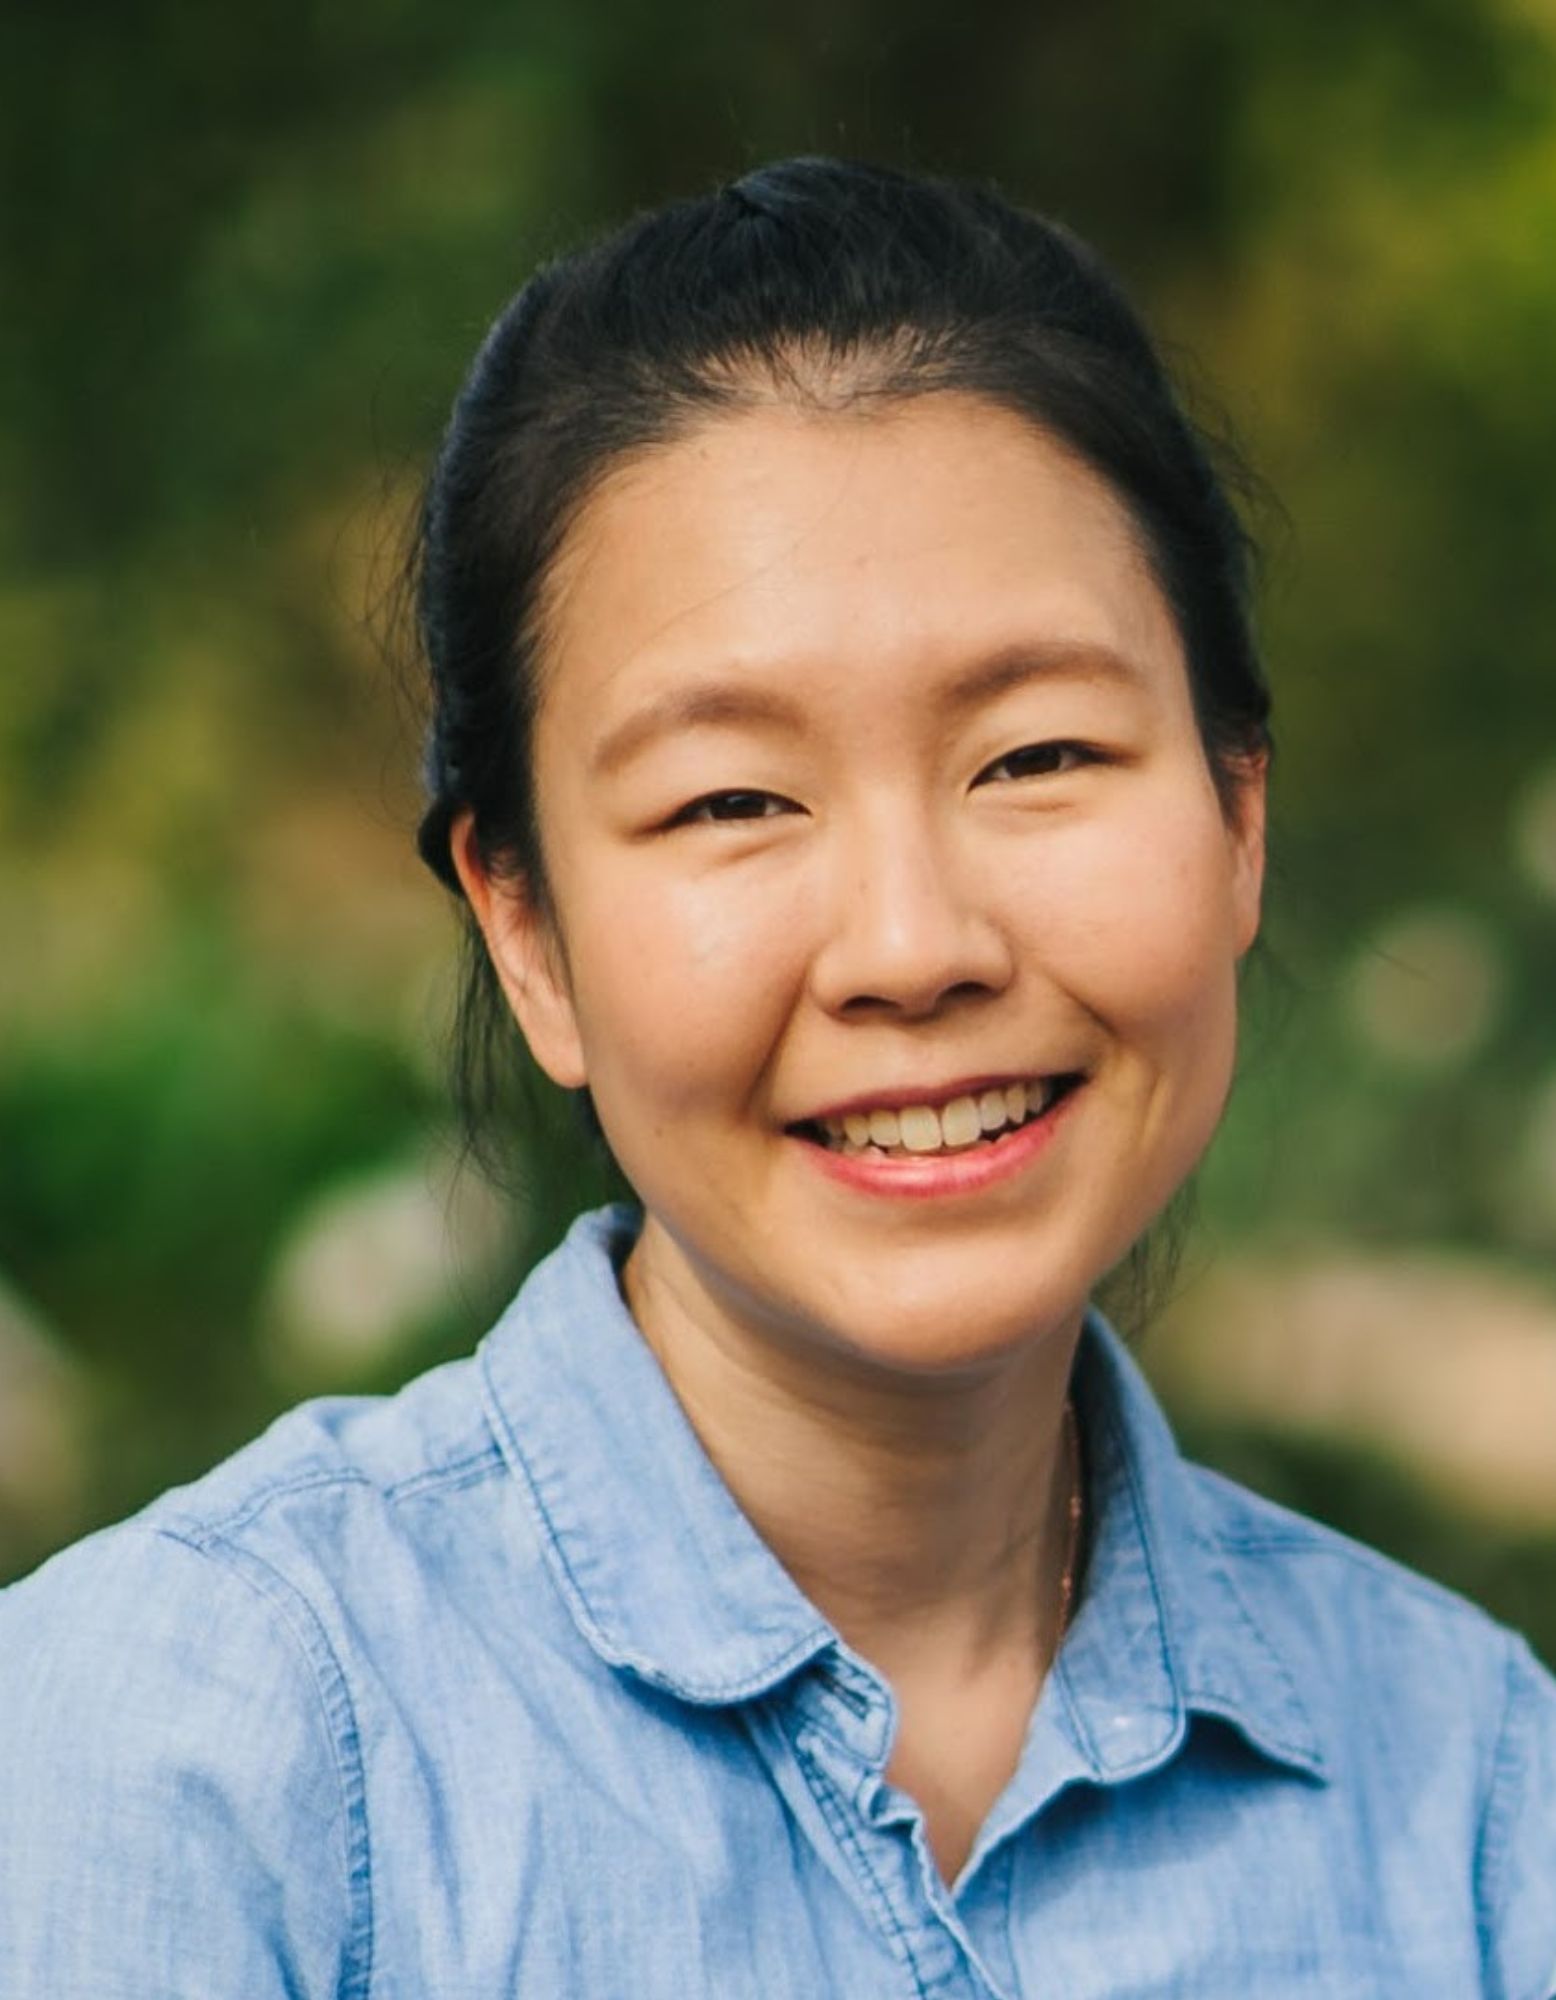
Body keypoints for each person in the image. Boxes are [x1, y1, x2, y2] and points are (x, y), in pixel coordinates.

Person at [1, 157, 1552, 1999]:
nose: (913, 945)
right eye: (733, 800)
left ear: (1236, 819)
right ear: (528, 935)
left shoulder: (1468, 1788)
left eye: (1038, 753)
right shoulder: (198, 1750)